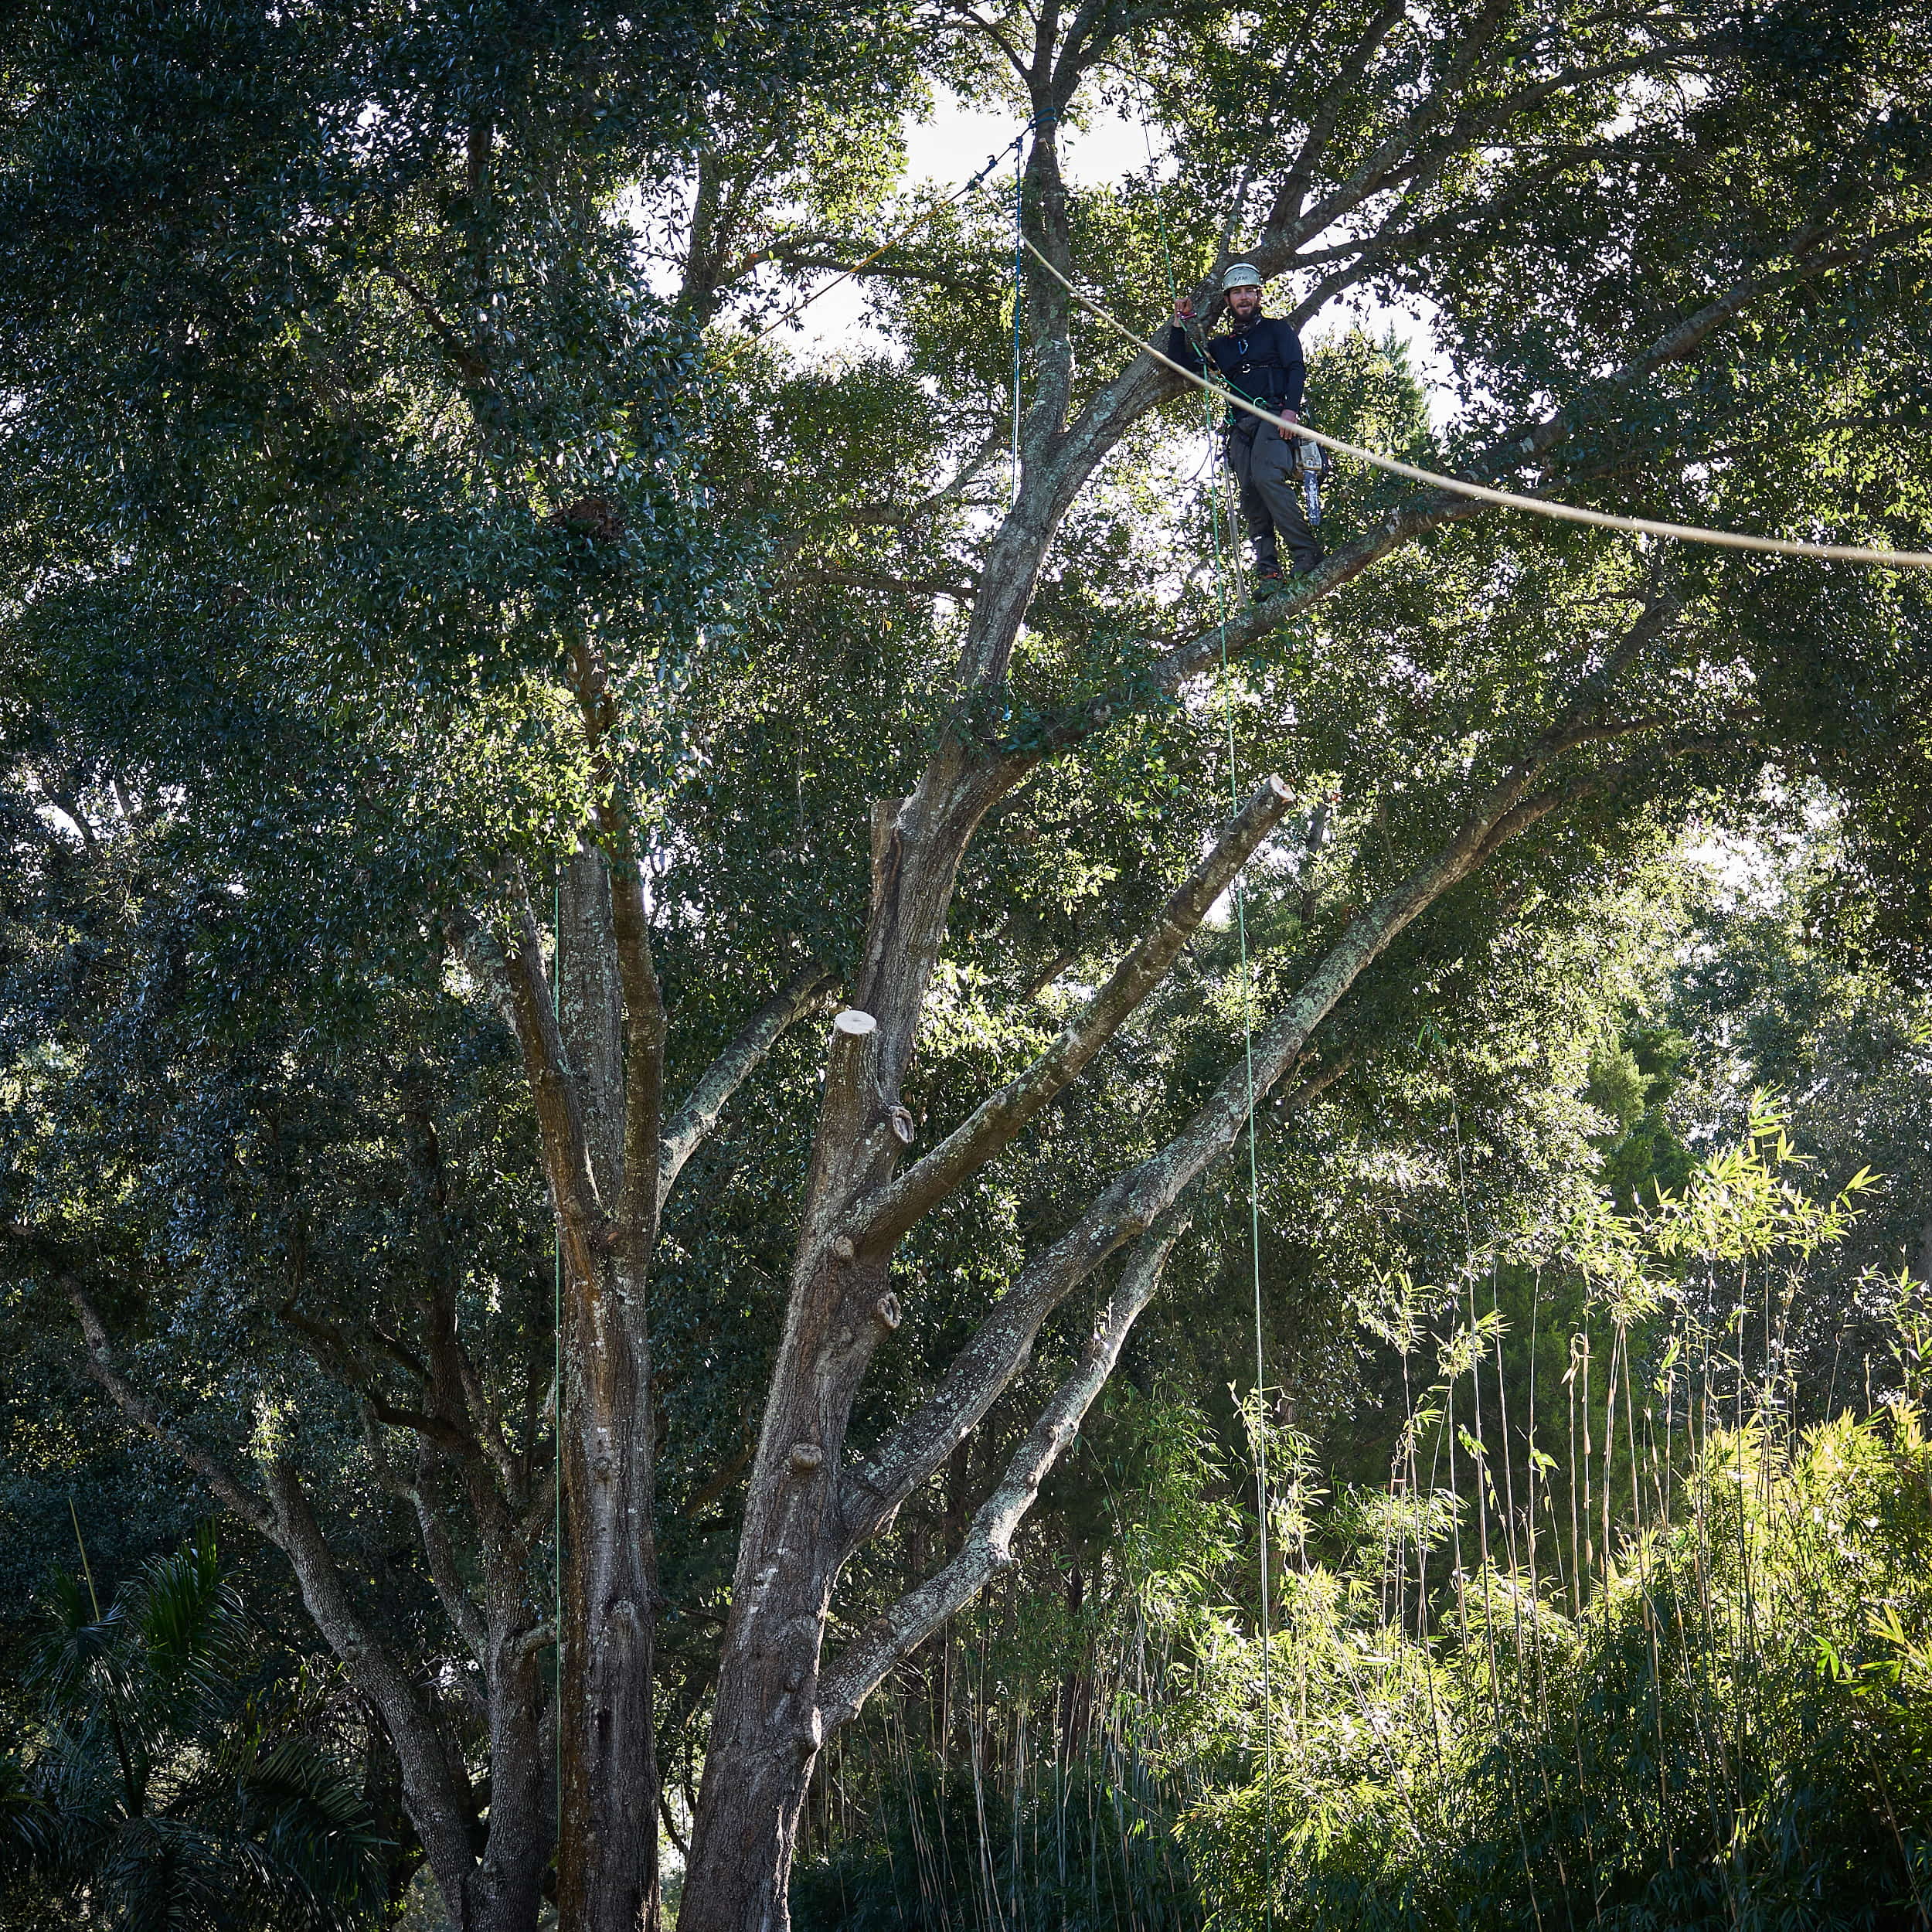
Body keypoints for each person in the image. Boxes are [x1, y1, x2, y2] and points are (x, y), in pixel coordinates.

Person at [1164, 262, 1322, 595]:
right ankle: (1269, 572)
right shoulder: (1223, 346)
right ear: (1228, 300)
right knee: (1250, 492)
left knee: (1267, 477)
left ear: (1258, 295)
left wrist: (1290, 412)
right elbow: (1182, 364)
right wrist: (1180, 324)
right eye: (1237, 293)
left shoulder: (1278, 331)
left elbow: (1295, 368)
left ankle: (1306, 552)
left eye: (1249, 291)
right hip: (1240, 426)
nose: (1244, 298)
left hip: (1273, 415)